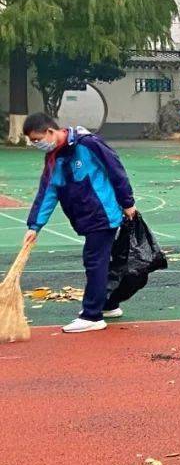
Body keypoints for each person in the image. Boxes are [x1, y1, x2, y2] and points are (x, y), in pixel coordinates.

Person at [22, 114, 138, 333]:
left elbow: (115, 170)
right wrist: (34, 226)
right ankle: (108, 305)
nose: (37, 144)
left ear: (50, 132)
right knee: (101, 260)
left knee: (94, 260)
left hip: (102, 214)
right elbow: (48, 192)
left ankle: (92, 315)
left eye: (38, 139)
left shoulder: (89, 144)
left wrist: (127, 202)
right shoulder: (53, 158)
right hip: (84, 217)